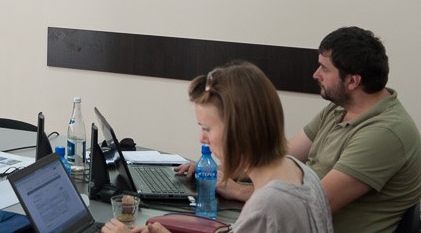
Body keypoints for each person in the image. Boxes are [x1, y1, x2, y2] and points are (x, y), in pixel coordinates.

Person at [176, 26, 421, 232]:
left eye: (325, 68)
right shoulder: (338, 110)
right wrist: (217, 171)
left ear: (353, 81)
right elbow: (277, 156)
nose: (315, 74)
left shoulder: (386, 133)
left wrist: (234, 189)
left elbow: (314, 204)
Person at [103, 60, 332, 233]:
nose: (202, 139)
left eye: (207, 129)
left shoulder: (266, 208)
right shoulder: (301, 172)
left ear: (239, 129)